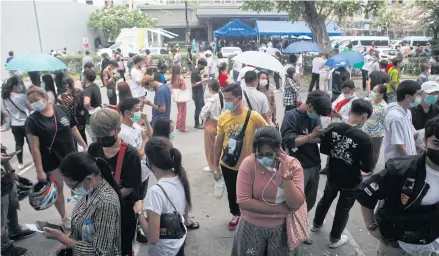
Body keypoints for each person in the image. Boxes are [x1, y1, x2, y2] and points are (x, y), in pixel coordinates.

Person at [355, 116, 439, 256]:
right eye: (436, 143)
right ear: (425, 142)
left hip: (432, 243)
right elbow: (366, 193)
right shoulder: (401, 169)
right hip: (395, 244)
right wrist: (371, 226)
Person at [232, 126, 305, 255]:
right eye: (260, 155)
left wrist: (286, 175)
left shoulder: (293, 165)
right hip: (251, 226)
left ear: (279, 149)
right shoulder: (249, 164)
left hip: (283, 228)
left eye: (269, 154)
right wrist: (279, 209)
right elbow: (244, 201)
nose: (264, 159)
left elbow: (295, 204)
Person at [312, 99, 373, 248]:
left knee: (326, 199)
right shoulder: (365, 139)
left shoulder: (333, 127)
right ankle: (335, 239)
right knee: (343, 208)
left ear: (350, 112)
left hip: (333, 173)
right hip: (351, 180)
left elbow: (325, 150)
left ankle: (316, 224)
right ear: (364, 118)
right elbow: (366, 167)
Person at [25, 86, 87, 229]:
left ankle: (83, 211)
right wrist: (39, 171)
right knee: (58, 189)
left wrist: (83, 144)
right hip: (51, 161)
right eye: (31, 102)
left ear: (45, 97)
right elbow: (34, 148)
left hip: (71, 156)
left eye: (36, 100)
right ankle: (65, 217)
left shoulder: (61, 109)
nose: (34, 103)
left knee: (78, 185)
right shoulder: (32, 121)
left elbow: (74, 129)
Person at [43, 152, 121, 255]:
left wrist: (62, 238)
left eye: (72, 186)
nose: (73, 190)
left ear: (88, 179)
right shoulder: (90, 189)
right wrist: (67, 240)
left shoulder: (105, 204)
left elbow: (100, 252)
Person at [213, 84, 268, 231]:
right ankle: (236, 214)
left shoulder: (253, 116)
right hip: (228, 164)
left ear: (239, 98)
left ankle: (249, 216)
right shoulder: (223, 117)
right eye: (225, 99)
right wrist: (214, 166)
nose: (227, 103)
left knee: (250, 192)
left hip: (249, 165)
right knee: (232, 191)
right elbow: (218, 142)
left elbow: (268, 134)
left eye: (229, 99)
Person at [88, 108, 142, 256]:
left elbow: (129, 187)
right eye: (98, 134)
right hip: (99, 209)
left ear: (118, 130)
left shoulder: (130, 154)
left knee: (123, 246)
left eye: (107, 133)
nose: (102, 137)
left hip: (124, 209)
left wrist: (106, 199)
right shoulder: (94, 148)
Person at [134, 137, 191, 255]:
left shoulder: (156, 192)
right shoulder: (180, 175)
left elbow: (153, 238)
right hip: (179, 243)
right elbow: (184, 217)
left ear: (149, 160)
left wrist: (139, 213)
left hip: (163, 251)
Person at [281, 90, 332, 212]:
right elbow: (288, 141)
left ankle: (302, 222)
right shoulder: (291, 116)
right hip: (298, 166)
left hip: (314, 164)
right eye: (318, 113)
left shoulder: (315, 116)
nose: (318, 117)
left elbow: (319, 138)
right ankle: (290, 226)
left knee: (310, 201)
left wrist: (307, 138)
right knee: (294, 202)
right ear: (310, 105)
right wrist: (310, 136)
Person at [118, 97, 152, 244]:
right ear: (127, 112)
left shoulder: (135, 126)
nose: (140, 112)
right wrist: (144, 141)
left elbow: (149, 134)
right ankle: (136, 229)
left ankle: (139, 225)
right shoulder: (123, 132)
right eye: (137, 110)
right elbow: (139, 153)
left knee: (141, 199)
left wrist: (147, 122)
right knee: (135, 201)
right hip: (134, 173)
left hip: (144, 170)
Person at [1, 145, 35, 256]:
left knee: (12, 205)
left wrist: (12, 173)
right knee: (1, 219)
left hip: (6, 177)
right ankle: (5, 248)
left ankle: (14, 231)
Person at [383, 80, 421, 163]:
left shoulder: (407, 112)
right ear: (407, 96)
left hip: (406, 158)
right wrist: (411, 162)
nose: (419, 98)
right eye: (417, 95)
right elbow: (399, 146)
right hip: (397, 163)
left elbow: (413, 133)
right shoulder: (395, 117)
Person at [1, 77, 30, 170]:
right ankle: (37, 160)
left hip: (14, 125)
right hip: (26, 123)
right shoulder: (22, 96)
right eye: (18, 84)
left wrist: (6, 126)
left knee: (18, 143)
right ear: (14, 86)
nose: (19, 86)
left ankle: (20, 163)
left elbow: (5, 113)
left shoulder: (4, 98)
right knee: (31, 142)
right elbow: (30, 108)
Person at [362, 84, 388, 176]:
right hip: (365, 130)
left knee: (374, 153)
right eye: (372, 90)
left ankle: (369, 170)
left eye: (375, 91)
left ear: (381, 94)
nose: (372, 93)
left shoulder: (384, 107)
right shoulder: (370, 101)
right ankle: (363, 167)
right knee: (365, 151)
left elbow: (386, 121)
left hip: (376, 133)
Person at [201, 80, 223, 172]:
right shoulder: (222, 97)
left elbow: (204, 113)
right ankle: (219, 164)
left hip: (211, 123)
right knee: (219, 145)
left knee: (210, 147)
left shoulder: (211, 100)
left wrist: (204, 119)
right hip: (220, 123)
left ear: (210, 88)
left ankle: (212, 166)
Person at [59, 76, 87, 145]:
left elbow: (62, 108)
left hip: (71, 120)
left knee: (74, 137)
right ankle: (85, 149)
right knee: (82, 135)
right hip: (81, 119)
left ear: (66, 85)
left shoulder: (63, 96)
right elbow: (84, 106)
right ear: (73, 83)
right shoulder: (80, 91)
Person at [82, 69, 102, 143]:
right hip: (99, 114)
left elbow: (86, 102)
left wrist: (87, 107)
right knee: (100, 137)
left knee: (95, 140)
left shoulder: (88, 89)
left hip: (91, 118)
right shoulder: (95, 86)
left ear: (84, 77)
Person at [191, 58, 209, 129]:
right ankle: (196, 124)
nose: (203, 67)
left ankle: (203, 122)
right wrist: (203, 81)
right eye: (203, 66)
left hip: (200, 92)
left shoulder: (198, 71)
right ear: (199, 64)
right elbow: (193, 84)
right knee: (198, 108)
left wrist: (203, 77)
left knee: (203, 107)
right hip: (197, 93)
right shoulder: (195, 72)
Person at [171, 65, 188, 132]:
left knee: (179, 111)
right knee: (183, 112)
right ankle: (182, 127)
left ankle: (178, 124)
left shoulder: (173, 78)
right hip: (181, 97)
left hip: (176, 96)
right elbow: (183, 87)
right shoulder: (180, 78)